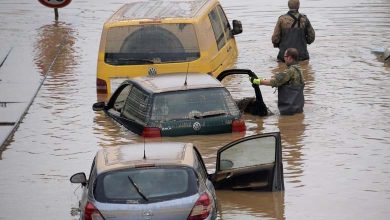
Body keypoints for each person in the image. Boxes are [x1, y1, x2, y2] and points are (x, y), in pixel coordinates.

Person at [250, 48, 304, 115]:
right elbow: (280, 79)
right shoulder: (299, 69)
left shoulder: (290, 71)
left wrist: (258, 81)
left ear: (289, 58)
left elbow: (275, 82)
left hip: (289, 110)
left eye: (285, 57)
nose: (284, 59)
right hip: (298, 108)